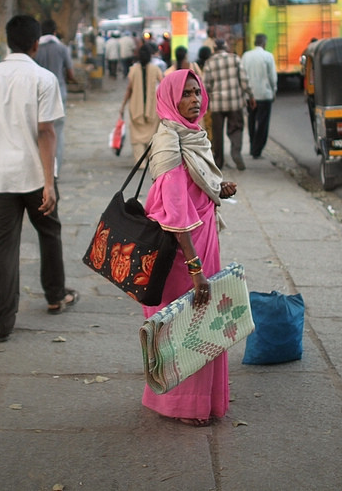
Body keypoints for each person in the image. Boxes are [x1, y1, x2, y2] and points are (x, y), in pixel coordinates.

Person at [0, 15, 79, 343]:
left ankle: (2, 320)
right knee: (49, 231)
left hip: (1, 175)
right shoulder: (43, 79)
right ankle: (56, 295)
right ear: (35, 44)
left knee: (4, 243)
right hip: (34, 174)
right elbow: (46, 131)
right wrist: (48, 182)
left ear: (8, 42)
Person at [142, 69, 238, 426]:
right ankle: (186, 406)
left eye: (197, 93)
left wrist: (218, 187)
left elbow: (198, 185)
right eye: (186, 94)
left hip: (201, 244)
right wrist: (196, 271)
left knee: (202, 325)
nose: (195, 100)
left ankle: (201, 401)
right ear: (170, 99)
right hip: (183, 255)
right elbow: (177, 212)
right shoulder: (169, 142)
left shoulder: (194, 136)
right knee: (188, 327)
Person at [203, 38, 255, 170]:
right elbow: (244, 80)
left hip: (217, 104)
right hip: (235, 102)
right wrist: (251, 95)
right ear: (226, 48)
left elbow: (206, 85)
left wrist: (206, 102)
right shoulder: (235, 59)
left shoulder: (209, 63)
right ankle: (236, 152)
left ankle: (219, 160)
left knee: (217, 132)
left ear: (214, 49)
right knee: (236, 128)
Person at [35, 19, 76, 175]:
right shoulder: (62, 49)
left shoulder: (35, 50)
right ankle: (54, 170)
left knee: (39, 132)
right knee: (56, 132)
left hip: (38, 96)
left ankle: (41, 169)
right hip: (58, 93)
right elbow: (71, 74)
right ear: (54, 32)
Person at [119, 44, 164, 164]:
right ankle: (149, 156)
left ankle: (140, 161)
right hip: (152, 107)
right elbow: (163, 85)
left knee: (137, 135)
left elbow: (129, 89)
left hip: (135, 107)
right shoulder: (155, 69)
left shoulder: (133, 69)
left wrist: (123, 106)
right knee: (151, 133)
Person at [240, 33, 277, 159]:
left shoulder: (246, 56)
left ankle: (252, 145)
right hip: (264, 94)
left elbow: (242, 75)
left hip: (250, 96)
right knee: (263, 123)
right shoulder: (268, 56)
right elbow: (272, 77)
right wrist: (274, 90)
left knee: (251, 120)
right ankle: (257, 149)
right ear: (264, 43)